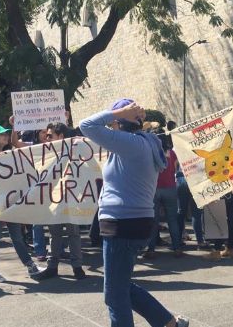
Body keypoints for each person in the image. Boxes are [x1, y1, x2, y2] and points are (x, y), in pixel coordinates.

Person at [80, 99, 188, 327]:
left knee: (115, 295)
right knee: (120, 287)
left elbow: (86, 125)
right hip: (132, 221)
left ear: (120, 122)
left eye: (113, 122)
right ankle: (168, 322)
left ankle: (168, 322)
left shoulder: (131, 144)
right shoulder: (145, 142)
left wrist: (117, 112)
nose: (110, 127)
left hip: (123, 223)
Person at [0, 124, 43, 283]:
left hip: (10, 201)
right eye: (2, 134)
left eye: (6, 134)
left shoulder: (11, 155)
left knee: (17, 235)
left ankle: (30, 265)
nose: (6, 137)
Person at [31, 122, 86, 280]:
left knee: (73, 233)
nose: (46, 138)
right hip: (53, 200)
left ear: (61, 136)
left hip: (70, 199)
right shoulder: (46, 154)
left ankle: (77, 267)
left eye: (50, 135)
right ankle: (52, 266)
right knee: (54, 234)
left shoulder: (75, 152)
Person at [144, 129, 183, 258]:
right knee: (172, 219)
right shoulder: (172, 153)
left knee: (153, 221)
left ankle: (151, 249)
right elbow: (176, 169)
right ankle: (177, 247)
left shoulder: (149, 152)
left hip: (154, 189)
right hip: (170, 188)